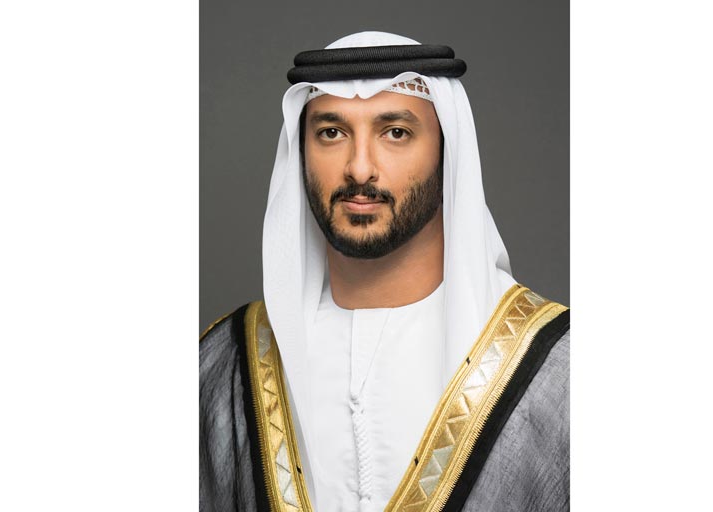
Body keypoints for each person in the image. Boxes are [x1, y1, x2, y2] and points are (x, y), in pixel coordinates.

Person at [200, 31, 569, 512]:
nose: (359, 169)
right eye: (331, 133)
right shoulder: (223, 365)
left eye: (395, 132)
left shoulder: (559, 371)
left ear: (446, 150)